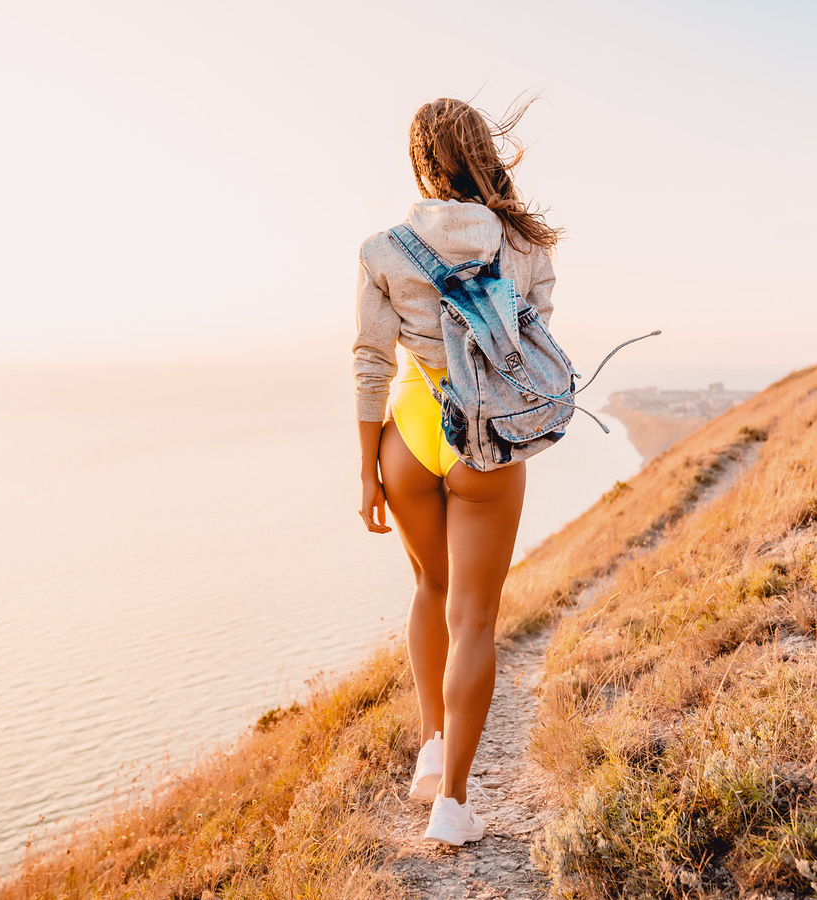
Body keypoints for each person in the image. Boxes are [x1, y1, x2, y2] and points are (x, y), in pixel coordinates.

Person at [353, 97, 562, 845]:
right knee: (474, 618)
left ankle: (432, 745)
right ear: (482, 150)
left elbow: (371, 361)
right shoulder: (525, 244)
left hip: (408, 434)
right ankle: (453, 803)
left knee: (428, 589)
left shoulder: (383, 247)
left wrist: (367, 472)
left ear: (420, 160)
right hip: (486, 438)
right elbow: (531, 345)